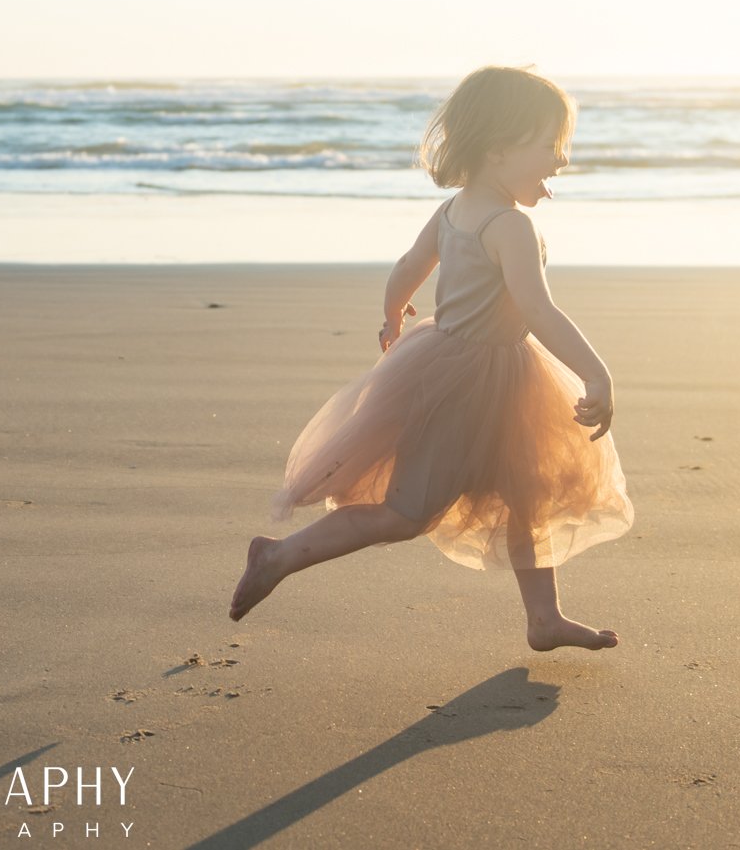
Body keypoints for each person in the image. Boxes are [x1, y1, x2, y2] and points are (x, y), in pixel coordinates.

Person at [229, 66, 634, 651]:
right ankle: (279, 555)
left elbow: (409, 266)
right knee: (405, 513)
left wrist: (394, 315)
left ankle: (544, 618)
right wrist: (598, 371)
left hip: (468, 367)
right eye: (549, 146)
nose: (561, 161)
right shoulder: (511, 227)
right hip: (474, 383)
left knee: (527, 495)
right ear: (497, 150)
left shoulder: (455, 210)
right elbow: (539, 311)